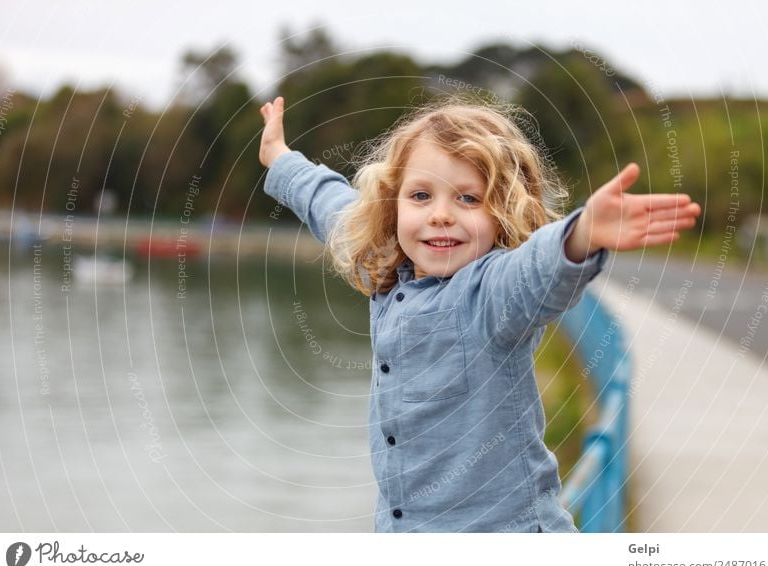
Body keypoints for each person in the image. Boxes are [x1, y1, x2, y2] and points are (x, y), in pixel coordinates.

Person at [258, 94, 701, 532]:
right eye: (420, 195)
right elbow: (333, 207)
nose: (440, 215)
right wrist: (280, 157)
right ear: (392, 205)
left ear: (503, 212)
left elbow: (533, 273)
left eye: (469, 199)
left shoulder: (489, 293)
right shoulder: (386, 268)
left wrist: (581, 234)